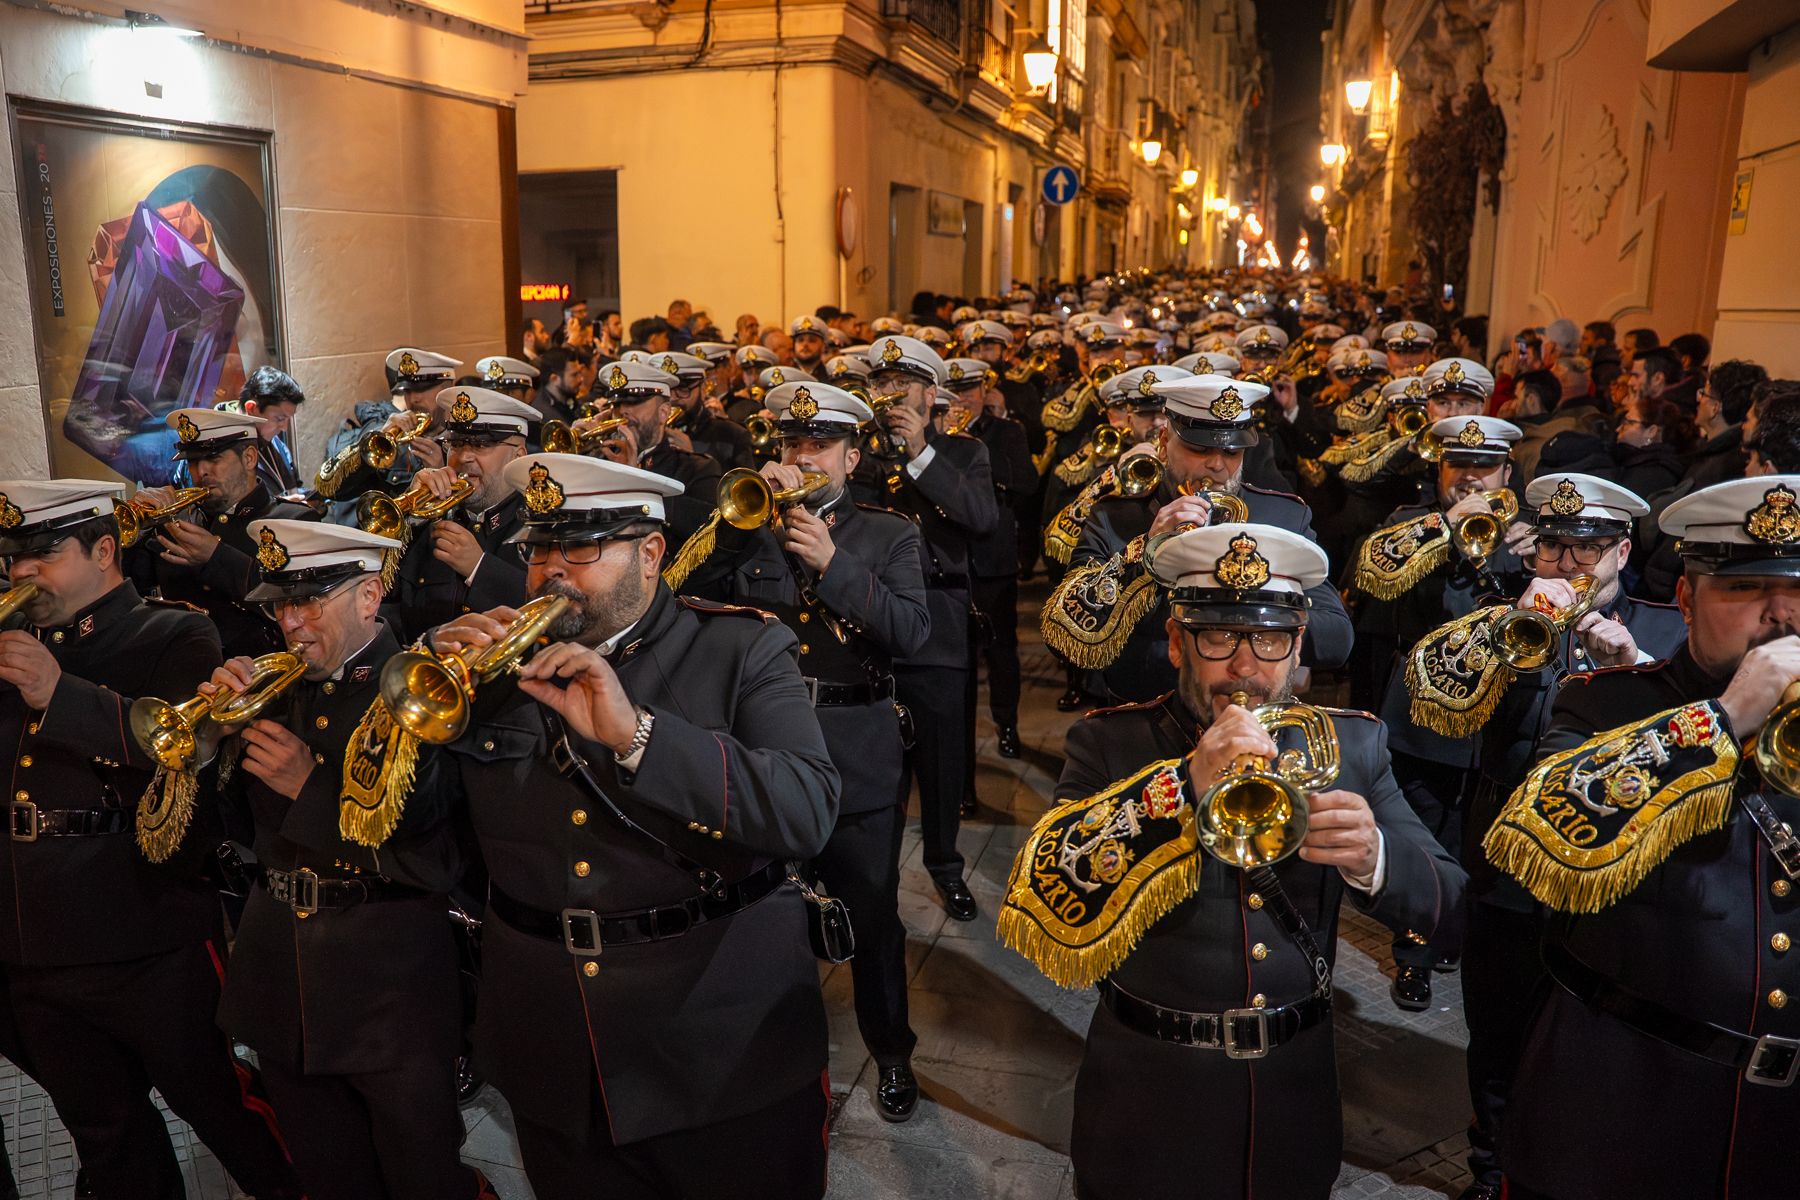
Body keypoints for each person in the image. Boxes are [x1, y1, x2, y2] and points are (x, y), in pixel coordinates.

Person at [1000, 522, 1466, 1200]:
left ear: (1298, 645)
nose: (1246, 668)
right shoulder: (1113, 745)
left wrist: (1378, 860)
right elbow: (1042, 899)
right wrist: (1181, 787)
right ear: (1175, 642)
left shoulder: (1353, 746)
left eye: (1270, 639)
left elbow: (1451, 912)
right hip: (1150, 1098)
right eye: (1218, 637)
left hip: (1291, 1096)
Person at [432, 453, 839, 1199]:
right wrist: (417, 723)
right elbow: (432, 846)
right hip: (553, 1049)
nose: (553, 570)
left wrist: (638, 736)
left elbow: (807, 808)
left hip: (718, 1051)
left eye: (582, 548)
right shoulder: (492, 672)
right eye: (540, 548)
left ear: (650, 554)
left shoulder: (742, 647)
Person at [1486, 474, 1800, 1199]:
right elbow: (1540, 837)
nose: (1780, 618)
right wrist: (1724, 718)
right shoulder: (1608, 703)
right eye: (1745, 588)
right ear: (1687, 599)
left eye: (1795, 592)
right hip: (1625, 1102)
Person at [0, 479, 301, 1200]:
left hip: (144, 925)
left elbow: (180, 756)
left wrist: (58, 693)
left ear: (104, 550)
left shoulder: (174, 631)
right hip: (34, 933)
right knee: (105, 1134)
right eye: (12, 557)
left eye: (41, 554)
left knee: (229, 1110)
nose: (19, 572)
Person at [1403, 473, 1686, 1198]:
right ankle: (1492, 1165)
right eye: (1552, 547)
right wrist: (1504, 639)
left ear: (1622, 551)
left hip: (1614, 879)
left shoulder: (1664, 631)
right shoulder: (1500, 619)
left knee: (1594, 1036)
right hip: (1507, 866)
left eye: (1584, 550)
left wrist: (1637, 673)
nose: (1564, 567)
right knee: (1495, 1030)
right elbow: (1434, 704)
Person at [667, 380, 931, 1122]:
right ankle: (772, 1053)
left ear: (851, 454)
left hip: (856, 745)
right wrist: (730, 527)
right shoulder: (748, 521)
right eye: (790, 443)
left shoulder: (888, 533)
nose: (802, 455)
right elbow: (682, 597)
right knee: (763, 912)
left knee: (871, 912)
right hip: (764, 748)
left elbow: (913, 634)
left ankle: (892, 1052)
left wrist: (832, 565)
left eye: (818, 445)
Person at [199, 519, 486, 1200]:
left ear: (369, 596)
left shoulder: (419, 690)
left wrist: (309, 788)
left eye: (309, 603)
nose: (291, 625)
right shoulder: (280, 688)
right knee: (328, 1177)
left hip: (389, 988)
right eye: (280, 606)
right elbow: (226, 840)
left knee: (423, 1176)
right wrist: (209, 745)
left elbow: (436, 855)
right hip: (280, 981)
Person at [1348, 409, 1532, 1010]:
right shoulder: (1409, 523)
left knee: (1481, 836)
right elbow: (1372, 583)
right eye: (1459, 466)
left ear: (1508, 470)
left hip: (1501, 710)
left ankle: (1466, 934)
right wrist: (1445, 531)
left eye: (1485, 467)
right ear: (1440, 467)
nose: (1471, 479)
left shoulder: (1531, 531)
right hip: (1421, 707)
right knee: (1421, 826)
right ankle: (1417, 951)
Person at [1045, 372, 1353, 704]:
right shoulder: (1114, 516)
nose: (1217, 465)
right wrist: (1143, 555)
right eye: (1199, 448)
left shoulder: (1284, 516)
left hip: (1252, 716)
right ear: (1164, 440)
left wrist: (1250, 605)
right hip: (1145, 710)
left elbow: (1337, 639)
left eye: (1233, 452)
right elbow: (1064, 636)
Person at [857, 334, 998, 920]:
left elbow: (980, 519)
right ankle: (872, 875)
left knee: (941, 762)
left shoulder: (962, 454)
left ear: (929, 393)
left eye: (901, 386)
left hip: (938, 627)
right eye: (879, 384)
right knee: (875, 762)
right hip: (869, 618)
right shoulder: (857, 455)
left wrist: (919, 452)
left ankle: (944, 866)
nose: (888, 396)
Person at [130, 407, 318, 658]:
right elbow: (132, 590)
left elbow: (304, 606)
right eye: (193, 461)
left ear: (249, 458)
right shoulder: (176, 521)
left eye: (214, 458)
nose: (201, 471)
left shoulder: (294, 521)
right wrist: (138, 530)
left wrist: (216, 557)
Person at [385, 386, 537, 640]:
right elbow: (379, 597)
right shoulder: (429, 516)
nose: (464, 456)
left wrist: (480, 568)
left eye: (481, 445)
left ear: (518, 457)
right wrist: (409, 518)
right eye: (455, 444)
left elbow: (555, 610)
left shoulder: (541, 525)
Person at [583, 360, 723, 548]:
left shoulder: (697, 468)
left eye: (634, 403)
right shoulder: (598, 462)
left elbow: (712, 534)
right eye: (617, 404)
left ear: (664, 413)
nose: (622, 412)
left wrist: (635, 479)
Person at [232, 365, 306, 495]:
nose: (284, 427)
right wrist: (281, 507)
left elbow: (293, 488)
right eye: (279, 419)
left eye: (288, 419)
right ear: (251, 408)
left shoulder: (276, 444)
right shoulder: (225, 454)